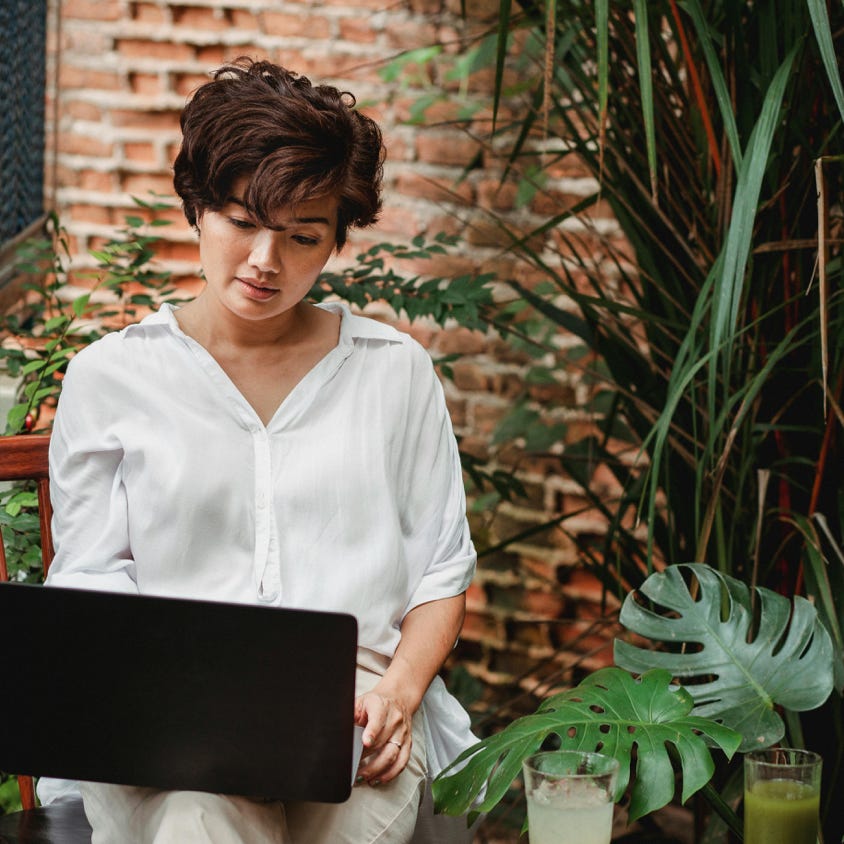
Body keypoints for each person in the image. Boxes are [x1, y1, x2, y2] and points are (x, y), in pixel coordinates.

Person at [37, 58, 478, 843]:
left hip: (356, 720)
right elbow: (90, 582)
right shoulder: (111, 376)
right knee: (195, 815)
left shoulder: (394, 373)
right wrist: (164, 710)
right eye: (242, 222)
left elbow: (442, 576)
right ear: (198, 210)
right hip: (166, 728)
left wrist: (400, 695)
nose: (264, 262)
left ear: (337, 240)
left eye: (302, 235)